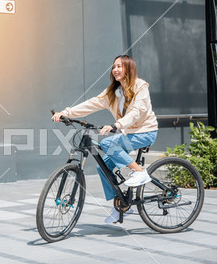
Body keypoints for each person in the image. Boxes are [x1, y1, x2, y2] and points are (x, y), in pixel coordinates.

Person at [52, 55, 158, 223]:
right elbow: (91, 104)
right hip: (127, 133)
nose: (115, 69)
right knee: (103, 168)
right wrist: (67, 113)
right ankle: (121, 205)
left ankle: (139, 172)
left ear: (128, 69)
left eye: (119, 66)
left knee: (108, 142)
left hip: (145, 132)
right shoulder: (113, 93)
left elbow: (137, 111)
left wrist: (117, 125)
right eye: (114, 66)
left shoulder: (141, 86)